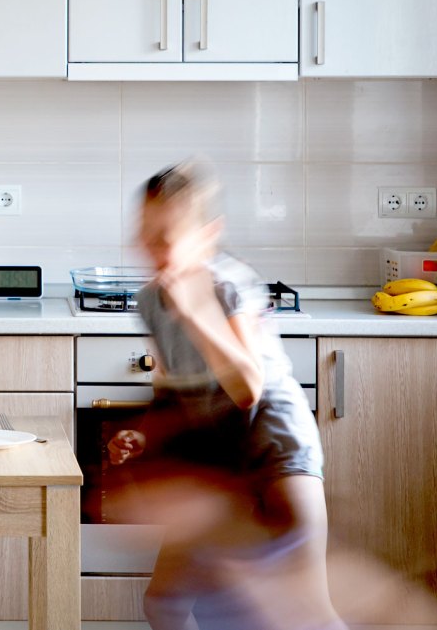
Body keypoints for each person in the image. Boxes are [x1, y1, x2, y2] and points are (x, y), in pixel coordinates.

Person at [106, 160, 345, 630]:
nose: (152, 249)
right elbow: (172, 388)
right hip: (216, 458)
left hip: (276, 445)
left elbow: (247, 387)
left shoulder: (228, 285)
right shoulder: (151, 300)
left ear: (208, 235)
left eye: (166, 237)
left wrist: (196, 311)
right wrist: (143, 433)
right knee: (164, 605)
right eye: (145, 234)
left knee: (308, 611)